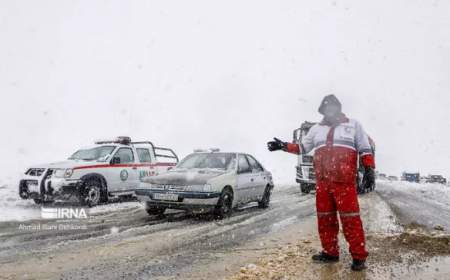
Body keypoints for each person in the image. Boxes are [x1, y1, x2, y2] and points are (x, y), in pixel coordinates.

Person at [267, 94, 375, 271]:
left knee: (351, 220)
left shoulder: (353, 125)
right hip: (323, 182)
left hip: (344, 182)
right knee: (325, 219)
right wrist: (284, 146)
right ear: (323, 110)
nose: (330, 110)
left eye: (333, 107)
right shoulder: (316, 129)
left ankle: (359, 257)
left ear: (338, 108)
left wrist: (369, 168)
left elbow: (364, 148)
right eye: (326, 107)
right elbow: (303, 147)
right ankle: (330, 253)